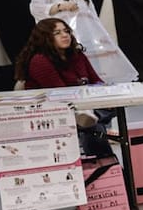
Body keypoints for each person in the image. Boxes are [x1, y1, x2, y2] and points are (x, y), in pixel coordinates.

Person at [13, 18, 114, 158]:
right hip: (51, 112)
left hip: (82, 105)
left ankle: (94, 117)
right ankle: (106, 169)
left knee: (108, 110)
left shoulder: (77, 55)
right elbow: (61, 94)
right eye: (57, 33)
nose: (65, 35)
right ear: (45, 37)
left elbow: (96, 81)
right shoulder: (39, 61)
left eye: (66, 31)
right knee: (93, 127)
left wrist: (107, 93)